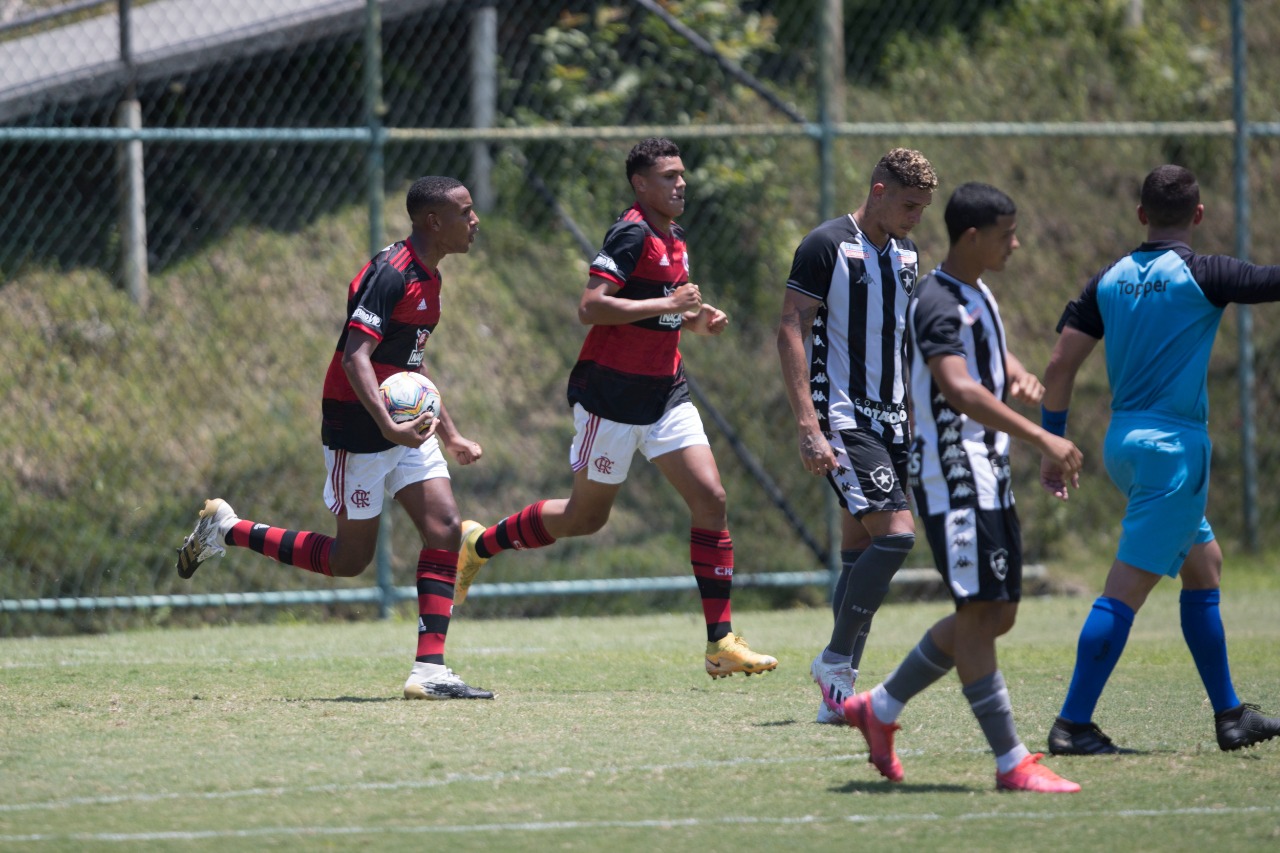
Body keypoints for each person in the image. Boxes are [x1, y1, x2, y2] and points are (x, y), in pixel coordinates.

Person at [452, 137, 778, 678]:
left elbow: (660, 312)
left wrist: (695, 319)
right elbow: (592, 307)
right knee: (586, 517)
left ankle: (720, 642)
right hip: (611, 399)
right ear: (641, 185)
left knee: (712, 498)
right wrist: (670, 304)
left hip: (665, 392)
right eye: (668, 176)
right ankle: (479, 543)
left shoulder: (675, 238)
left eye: (682, 175)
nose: (681, 184)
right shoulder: (630, 233)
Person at [175, 176, 494, 702]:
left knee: (443, 527)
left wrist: (451, 433)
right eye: (465, 211)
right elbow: (355, 357)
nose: (474, 220)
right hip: (358, 427)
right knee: (350, 561)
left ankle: (430, 671)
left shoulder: (430, 276)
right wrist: (389, 428)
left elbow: (409, 366)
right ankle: (227, 529)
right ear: (433, 221)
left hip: (402, 426)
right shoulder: (391, 275)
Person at [840, 182, 1083, 793]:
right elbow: (959, 388)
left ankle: (882, 707)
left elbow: (992, 366)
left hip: (987, 475)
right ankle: (1012, 761)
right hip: (952, 477)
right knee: (977, 613)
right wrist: (1043, 438)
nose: (1017, 244)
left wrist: (1020, 376)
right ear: (972, 238)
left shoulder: (978, 292)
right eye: (1007, 235)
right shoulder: (937, 301)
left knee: (996, 614)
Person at [1039, 164, 1280, 754]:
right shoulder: (1203, 273)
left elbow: (1059, 367)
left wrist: (1054, 440)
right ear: (1198, 215)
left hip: (1124, 445)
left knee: (1205, 565)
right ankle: (1072, 725)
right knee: (1124, 589)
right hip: (1174, 452)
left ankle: (1230, 715)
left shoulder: (1108, 280)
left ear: (1142, 215)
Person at [776, 148, 936, 723]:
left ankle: (836, 698)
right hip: (843, 416)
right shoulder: (826, 244)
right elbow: (791, 327)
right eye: (909, 204)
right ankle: (835, 659)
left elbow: (902, 338)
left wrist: (914, 413)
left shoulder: (908, 253)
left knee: (861, 551)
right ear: (877, 191)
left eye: (924, 207)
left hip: (891, 418)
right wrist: (808, 425)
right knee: (896, 536)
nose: (917, 216)